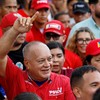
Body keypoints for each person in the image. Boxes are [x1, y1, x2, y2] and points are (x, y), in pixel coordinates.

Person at [0, 12, 75, 100]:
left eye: (49, 59)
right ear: (27, 64)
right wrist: (15, 30)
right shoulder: (15, 78)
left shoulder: (64, 82)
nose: (47, 64)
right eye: (41, 61)